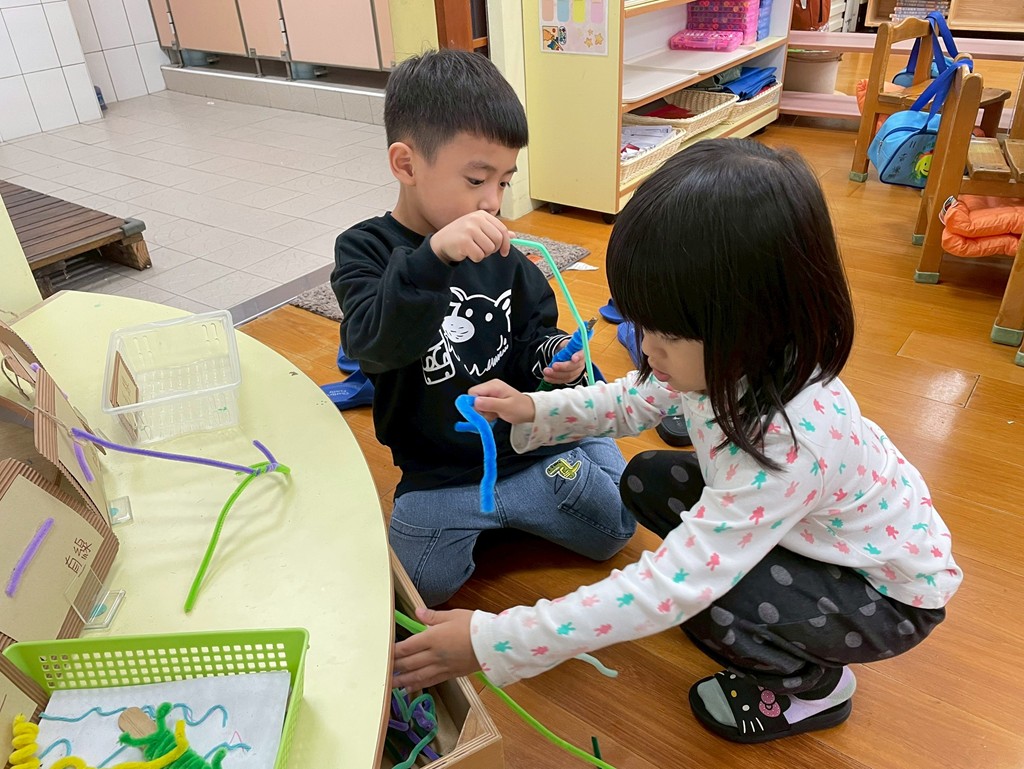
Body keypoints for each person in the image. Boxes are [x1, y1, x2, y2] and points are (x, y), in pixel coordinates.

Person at [391, 139, 961, 743]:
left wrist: (495, 640)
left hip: (884, 597)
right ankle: (761, 616)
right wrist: (534, 408)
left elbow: (672, 587)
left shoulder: (789, 444)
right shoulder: (738, 355)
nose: (645, 348)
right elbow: (632, 401)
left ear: (750, 321)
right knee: (646, 480)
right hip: (814, 536)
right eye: (643, 326)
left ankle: (814, 688)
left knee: (705, 598)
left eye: (665, 335)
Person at [331, 49, 635, 607]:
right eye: (476, 179)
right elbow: (374, 347)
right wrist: (432, 258)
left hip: (528, 453)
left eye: (504, 181)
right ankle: (570, 449)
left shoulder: (505, 256)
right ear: (406, 164)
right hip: (441, 476)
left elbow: (531, 339)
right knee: (416, 592)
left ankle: (582, 435)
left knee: (615, 529)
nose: (492, 202)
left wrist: (554, 360)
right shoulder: (364, 250)